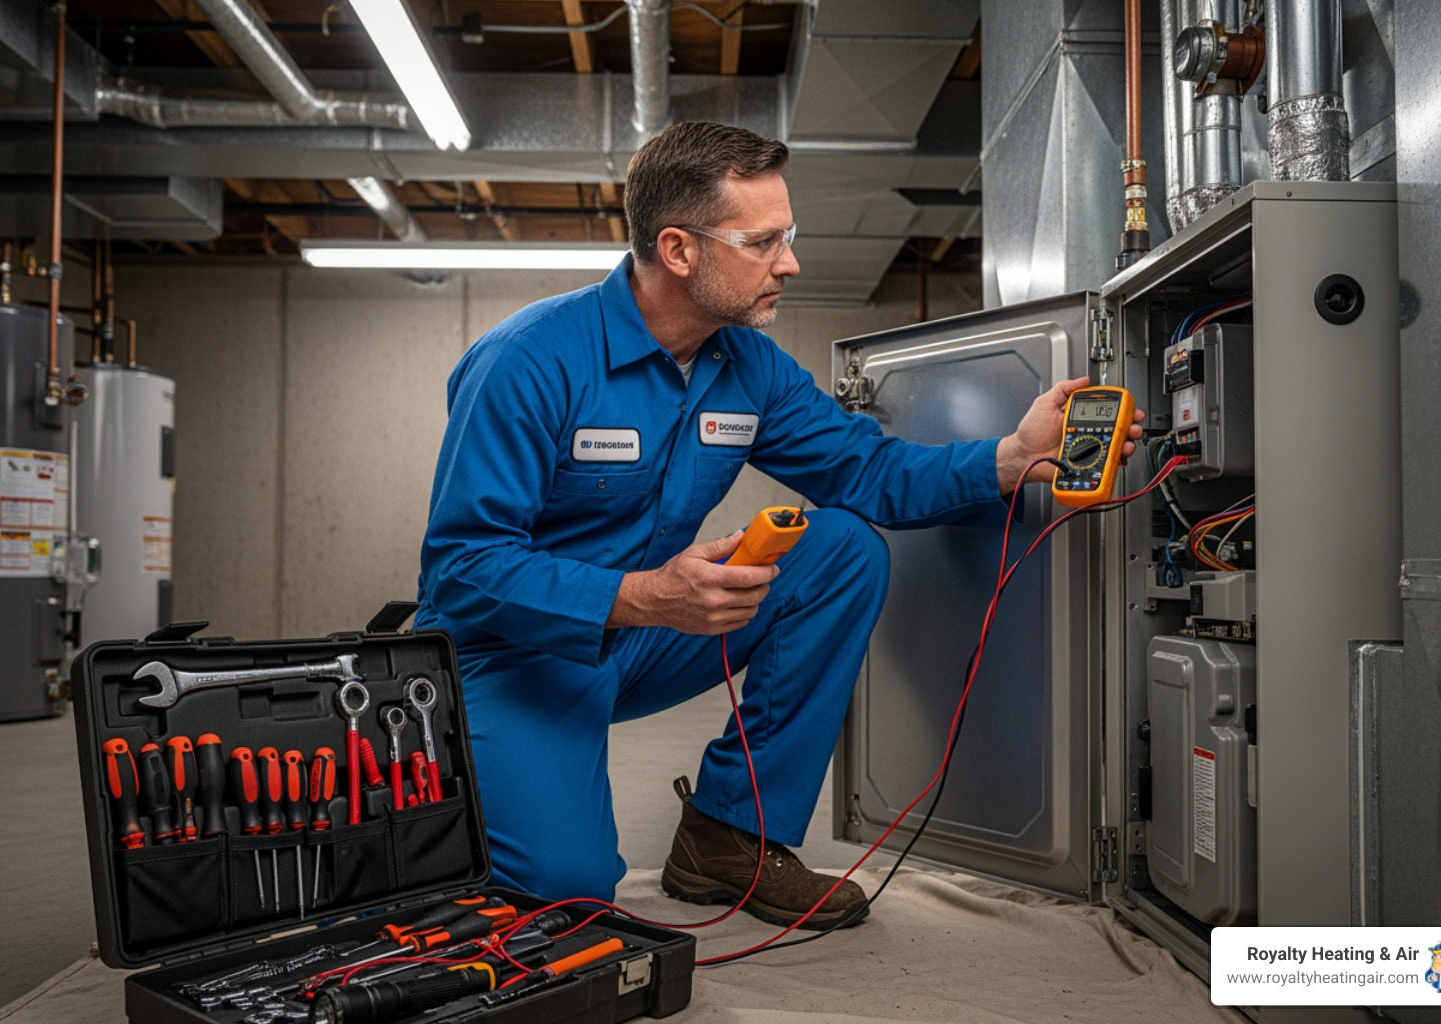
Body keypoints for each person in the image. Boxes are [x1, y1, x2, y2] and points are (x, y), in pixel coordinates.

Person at [415, 120, 1143, 930]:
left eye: (786, 237)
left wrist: (1010, 459)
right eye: (762, 242)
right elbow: (463, 568)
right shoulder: (528, 361)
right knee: (570, 893)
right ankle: (448, 780)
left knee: (840, 551)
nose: (789, 262)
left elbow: (868, 471)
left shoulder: (747, 368)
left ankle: (731, 835)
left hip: (644, 635)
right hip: (507, 657)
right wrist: (647, 595)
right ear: (680, 250)